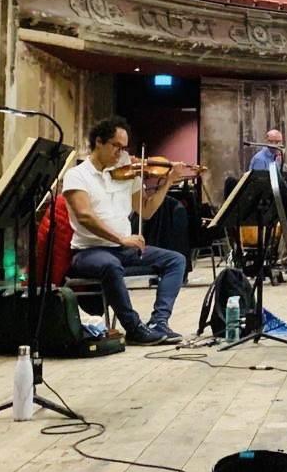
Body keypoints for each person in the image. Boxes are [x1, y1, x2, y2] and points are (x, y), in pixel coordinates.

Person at [63, 116, 200, 345]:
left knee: (176, 260)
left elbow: (146, 211)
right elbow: (85, 216)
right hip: (89, 251)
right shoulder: (77, 175)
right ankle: (134, 328)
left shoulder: (126, 175)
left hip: (122, 249)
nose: (122, 154)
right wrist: (121, 238)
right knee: (109, 264)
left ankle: (159, 322)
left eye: (124, 148)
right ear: (99, 142)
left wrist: (168, 182)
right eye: (116, 146)